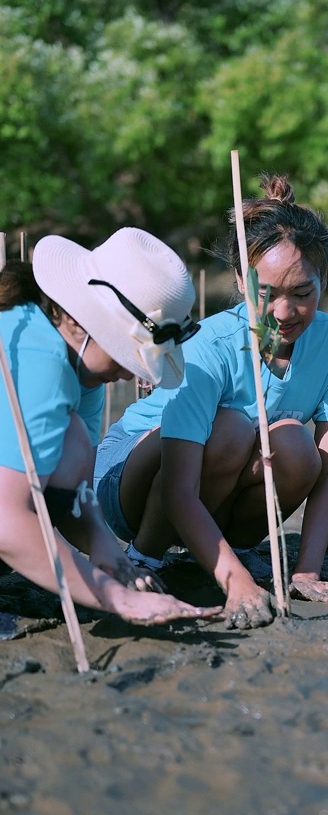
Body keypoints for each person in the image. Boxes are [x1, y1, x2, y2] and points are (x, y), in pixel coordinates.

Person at [94, 174, 328, 629]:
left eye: (303, 293)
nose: (284, 313)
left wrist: (307, 569)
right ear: (242, 281)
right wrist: (237, 585)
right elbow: (181, 489)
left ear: (325, 280)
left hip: (215, 488)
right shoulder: (211, 343)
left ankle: (232, 550)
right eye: (267, 294)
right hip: (136, 479)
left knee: (297, 447)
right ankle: (146, 556)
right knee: (232, 428)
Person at [0, 228, 220, 625]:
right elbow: (6, 519)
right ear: (84, 323)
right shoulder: (41, 361)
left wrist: (105, 549)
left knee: (75, 444)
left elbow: (74, 484)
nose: (126, 375)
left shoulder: (78, 365)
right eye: (126, 357)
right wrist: (118, 599)